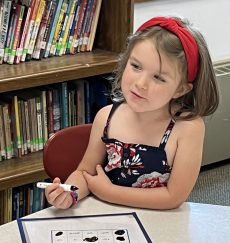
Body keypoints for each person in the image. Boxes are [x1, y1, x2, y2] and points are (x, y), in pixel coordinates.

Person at [45, 16, 219, 210]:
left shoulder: (188, 128)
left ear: (180, 89)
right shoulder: (106, 117)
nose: (140, 84)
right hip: (108, 224)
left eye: (158, 77)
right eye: (136, 66)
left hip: (161, 227)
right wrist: (69, 192)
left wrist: (109, 193)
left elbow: (173, 197)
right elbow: (86, 172)